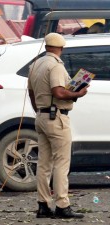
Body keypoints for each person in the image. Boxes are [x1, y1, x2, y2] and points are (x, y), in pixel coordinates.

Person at [28, 33, 88, 219]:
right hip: (57, 118)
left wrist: (40, 110)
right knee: (61, 164)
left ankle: (43, 205)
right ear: (61, 48)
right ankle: (62, 205)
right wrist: (79, 93)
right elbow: (59, 92)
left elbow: (31, 93)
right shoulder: (55, 66)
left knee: (44, 164)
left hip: (42, 117)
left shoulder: (35, 64)